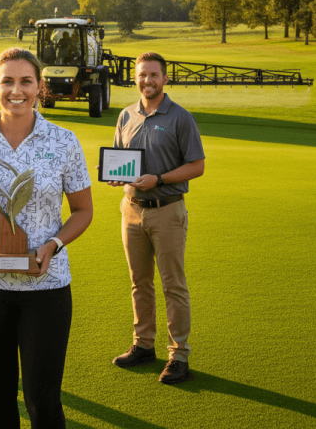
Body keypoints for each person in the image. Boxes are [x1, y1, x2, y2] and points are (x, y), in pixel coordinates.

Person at [0, 48, 93, 428]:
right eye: (7, 80)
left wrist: (53, 245)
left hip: (46, 286)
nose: (17, 90)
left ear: (39, 87)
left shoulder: (64, 141)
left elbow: (83, 211)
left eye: (26, 81)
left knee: (43, 400)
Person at [108, 52, 204, 385]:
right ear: (134, 78)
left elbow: (197, 166)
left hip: (167, 210)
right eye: (141, 75)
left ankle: (179, 356)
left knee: (173, 285)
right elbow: (123, 161)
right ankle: (143, 345)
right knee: (140, 283)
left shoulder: (180, 118)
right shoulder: (125, 115)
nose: (147, 80)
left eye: (153, 75)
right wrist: (115, 176)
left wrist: (159, 179)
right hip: (131, 209)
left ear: (165, 79)